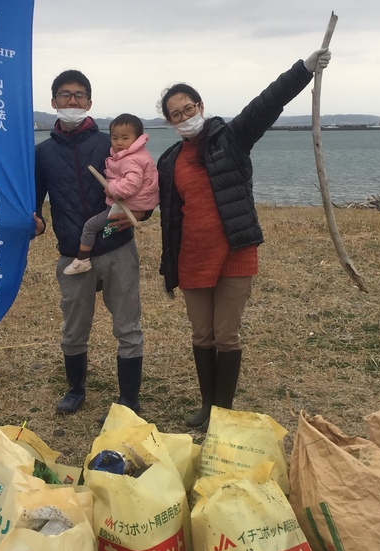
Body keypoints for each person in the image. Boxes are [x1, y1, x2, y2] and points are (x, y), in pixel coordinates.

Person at [157, 47, 332, 429]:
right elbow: (168, 214)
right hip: (191, 258)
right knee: (201, 334)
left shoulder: (230, 138)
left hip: (234, 251)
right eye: (176, 115)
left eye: (189, 109)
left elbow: (266, 103)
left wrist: (303, 69)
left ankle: (221, 413)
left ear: (200, 106)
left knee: (226, 336)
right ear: (169, 122)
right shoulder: (169, 160)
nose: (185, 118)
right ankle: (206, 405)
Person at [35, 70, 153, 416]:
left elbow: (144, 180)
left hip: (118, 249)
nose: (72, 101)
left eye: (79, 95)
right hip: (74, 256)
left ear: (89, 102)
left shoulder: (111, 145)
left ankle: (129, 399)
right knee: (73, 329)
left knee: (128, 327)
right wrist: (34, 220)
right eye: (65, 95)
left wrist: (142, 215)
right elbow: (34, 200)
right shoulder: (41, 153)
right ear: (53, 101)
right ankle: (75, 390)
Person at [63, 113, 159, 275]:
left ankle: (82, 259)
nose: (119, 143)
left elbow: (131, 185)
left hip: (129, 203)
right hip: (135, 203)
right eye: (114, 138)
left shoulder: (131, 159)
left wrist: (112, 189)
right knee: (109, 226)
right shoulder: (134, 155)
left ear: (137, 139)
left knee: (90, 226)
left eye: (125, 138)